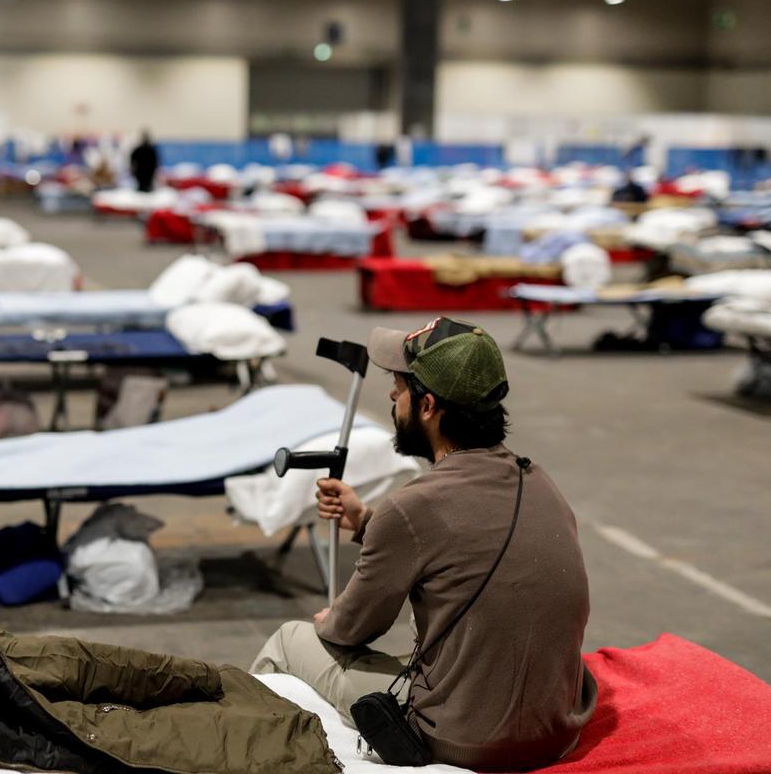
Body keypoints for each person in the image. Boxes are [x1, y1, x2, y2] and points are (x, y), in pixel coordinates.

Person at [251, 317, 597, 772]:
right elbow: (462, 537)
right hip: (557, 730)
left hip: (464, 739)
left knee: (290, 638)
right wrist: (366, 521)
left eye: (398, 387)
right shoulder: (537, 479)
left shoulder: (413, 507)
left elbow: (350, 630)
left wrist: (330, 618)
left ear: (428, 405)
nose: (392, 398)